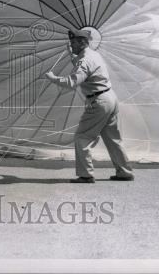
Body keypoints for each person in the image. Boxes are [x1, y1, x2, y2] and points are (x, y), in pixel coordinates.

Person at [45, 28, 134, 183]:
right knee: (113, 139)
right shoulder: (93, 54)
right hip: (110, 98)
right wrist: (71, 54)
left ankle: (86, 175)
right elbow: (84, 65)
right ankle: (125, 172)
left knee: (82, 137)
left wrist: (53, 78)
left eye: (73, 42)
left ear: (82, 42)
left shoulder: (84, 60)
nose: (71, 44)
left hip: (99, 101)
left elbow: (72, 82)